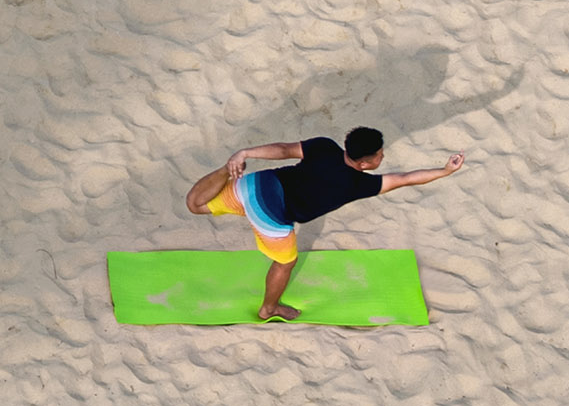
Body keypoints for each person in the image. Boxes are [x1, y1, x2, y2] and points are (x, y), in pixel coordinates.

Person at [185, 130, 465, 322]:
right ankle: (269, 308)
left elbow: (283, 150)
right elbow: (404, 178)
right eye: (379, 155)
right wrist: (445, 171)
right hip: (271, 214)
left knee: (196, 205)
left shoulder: (324, 146)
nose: (382, 158)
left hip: (256, 184)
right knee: (285, 263)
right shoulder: (360, 184)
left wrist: (243, 153)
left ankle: (225, 170)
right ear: (366, 164)